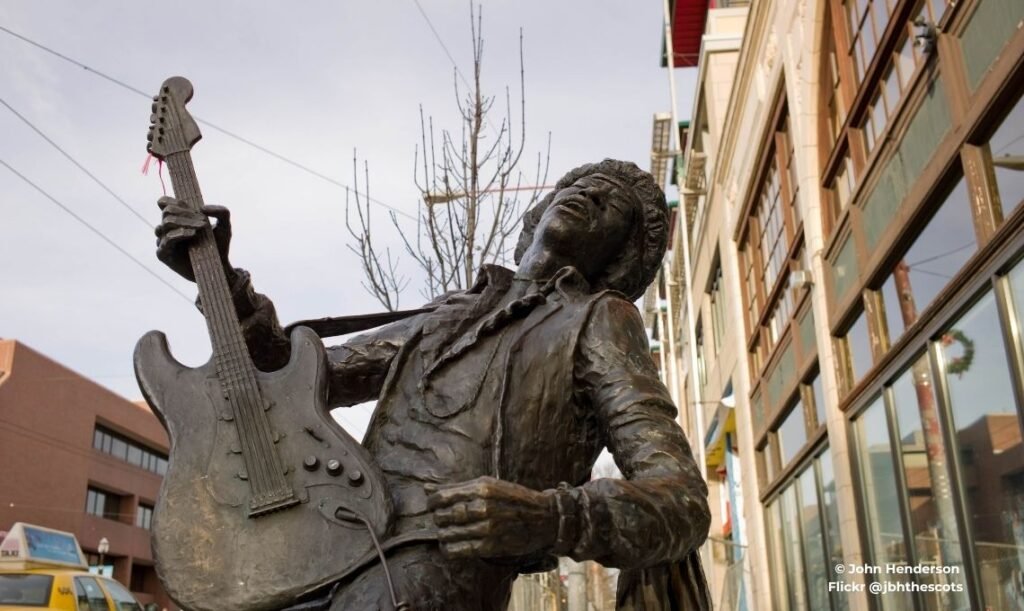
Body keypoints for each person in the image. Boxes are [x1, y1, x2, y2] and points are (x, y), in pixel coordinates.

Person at [155, 159, 710, 610]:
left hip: (433, 571)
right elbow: (297, 375)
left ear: (620, 254)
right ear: (535, 216)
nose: (588, 195)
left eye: (611, 204)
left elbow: (681, 497)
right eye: (579, 186)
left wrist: (548, 518)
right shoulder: (446, 314)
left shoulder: (598, 318)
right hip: (331, 540)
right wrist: (220, 278)